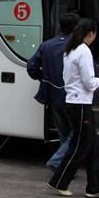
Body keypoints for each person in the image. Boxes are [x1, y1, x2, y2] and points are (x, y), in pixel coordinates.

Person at [47, 18, 99, 197]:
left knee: (92, 145)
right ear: (91, 34)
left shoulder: (70, 49)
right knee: (80, 146)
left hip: (74, 101)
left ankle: (97, 187)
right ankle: (59, 181)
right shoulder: (84, 51)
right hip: (81, 103)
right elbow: (88, 81)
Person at [26, 12, 80, 171]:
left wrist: (43, 78)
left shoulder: (47, 45)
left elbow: (32, 67)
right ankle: (57, 161)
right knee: (77, 132)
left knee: (64, 132)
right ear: (76, 28)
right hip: (71, 95)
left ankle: (66, 167)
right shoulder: (77, 47)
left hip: (52, 94)